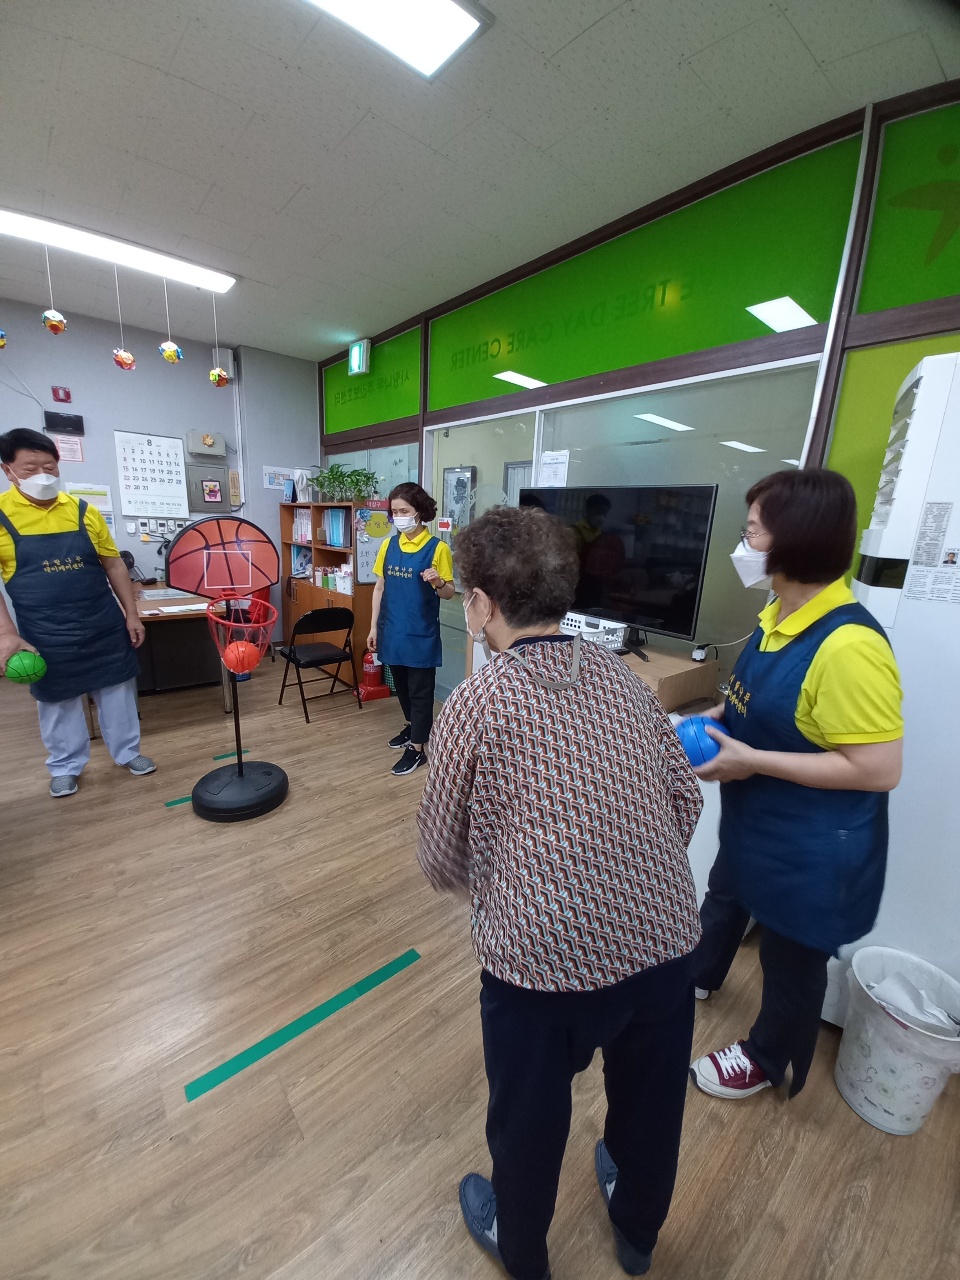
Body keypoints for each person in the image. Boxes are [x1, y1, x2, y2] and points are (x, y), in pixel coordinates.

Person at [417, 505, 703, 1280]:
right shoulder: (626, 680)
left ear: (481, 604)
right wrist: (623, 876)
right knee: (652, 1107)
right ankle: (638, 1232)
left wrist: (515, 886)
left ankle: (524, 1251)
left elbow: (440, 856)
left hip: (539, 969)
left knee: (530, 1118)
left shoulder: (476, 701)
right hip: (666, 942)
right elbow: (684, 802)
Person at [688, 469, 903, 1101]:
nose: (744, 543)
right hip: (757, 818)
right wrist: (716, 718)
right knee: (724, 894)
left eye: (753, 531)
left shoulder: (850, 646)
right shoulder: (778, 612)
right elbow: (756, 699)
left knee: (790, 957)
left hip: (813, 843)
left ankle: (766, 1055)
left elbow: (878, 768)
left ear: (795, 540)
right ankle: (698, 972)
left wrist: (753, 760)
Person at [0, 428, 155, 797]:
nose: (43, 475)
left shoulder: (83, 511)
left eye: (49, 467)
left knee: (118, 692)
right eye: (31, 468)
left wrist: (131, 614)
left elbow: (113, 564)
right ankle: (65, 765)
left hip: (102, 623)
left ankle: (128, 752)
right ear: (8, 470)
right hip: (45, 632)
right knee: (58, 701)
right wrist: (6, 633)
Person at [367, 482, 454, 776]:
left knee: (420, 691)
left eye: (404, 511)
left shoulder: (438, 548)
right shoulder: (388, 545)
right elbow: (380, 588)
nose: (399, 517)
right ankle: (412, 726)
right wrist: (373, 627)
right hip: (392, 630)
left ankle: (418, 749)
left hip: (420, 633)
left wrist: (438, 582)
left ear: (420, 512)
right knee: (400, 686)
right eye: (395, 512)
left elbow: (448, 592)